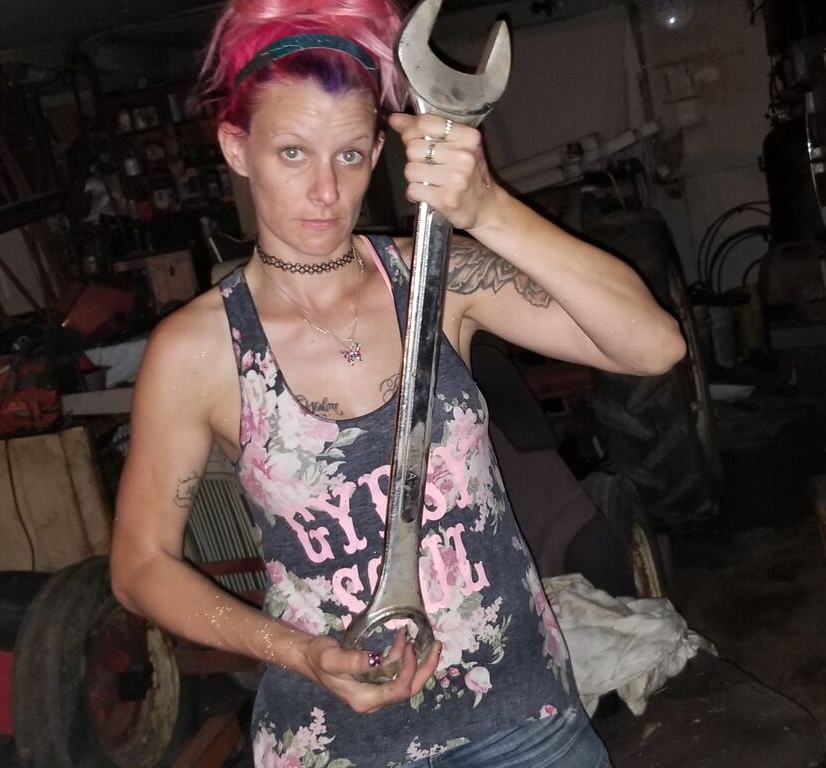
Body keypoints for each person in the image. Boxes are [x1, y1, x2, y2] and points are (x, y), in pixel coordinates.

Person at [109, 0, 687, 764]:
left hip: (520, 715)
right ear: (237, 148)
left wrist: (487, 207)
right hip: (335, 740)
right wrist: (297, 651)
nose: (325, 190)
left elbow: (653, 347)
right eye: (292, 153)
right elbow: (140, 565)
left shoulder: (436, 279)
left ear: (379, 151)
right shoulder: (197, 350)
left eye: (349, 155)